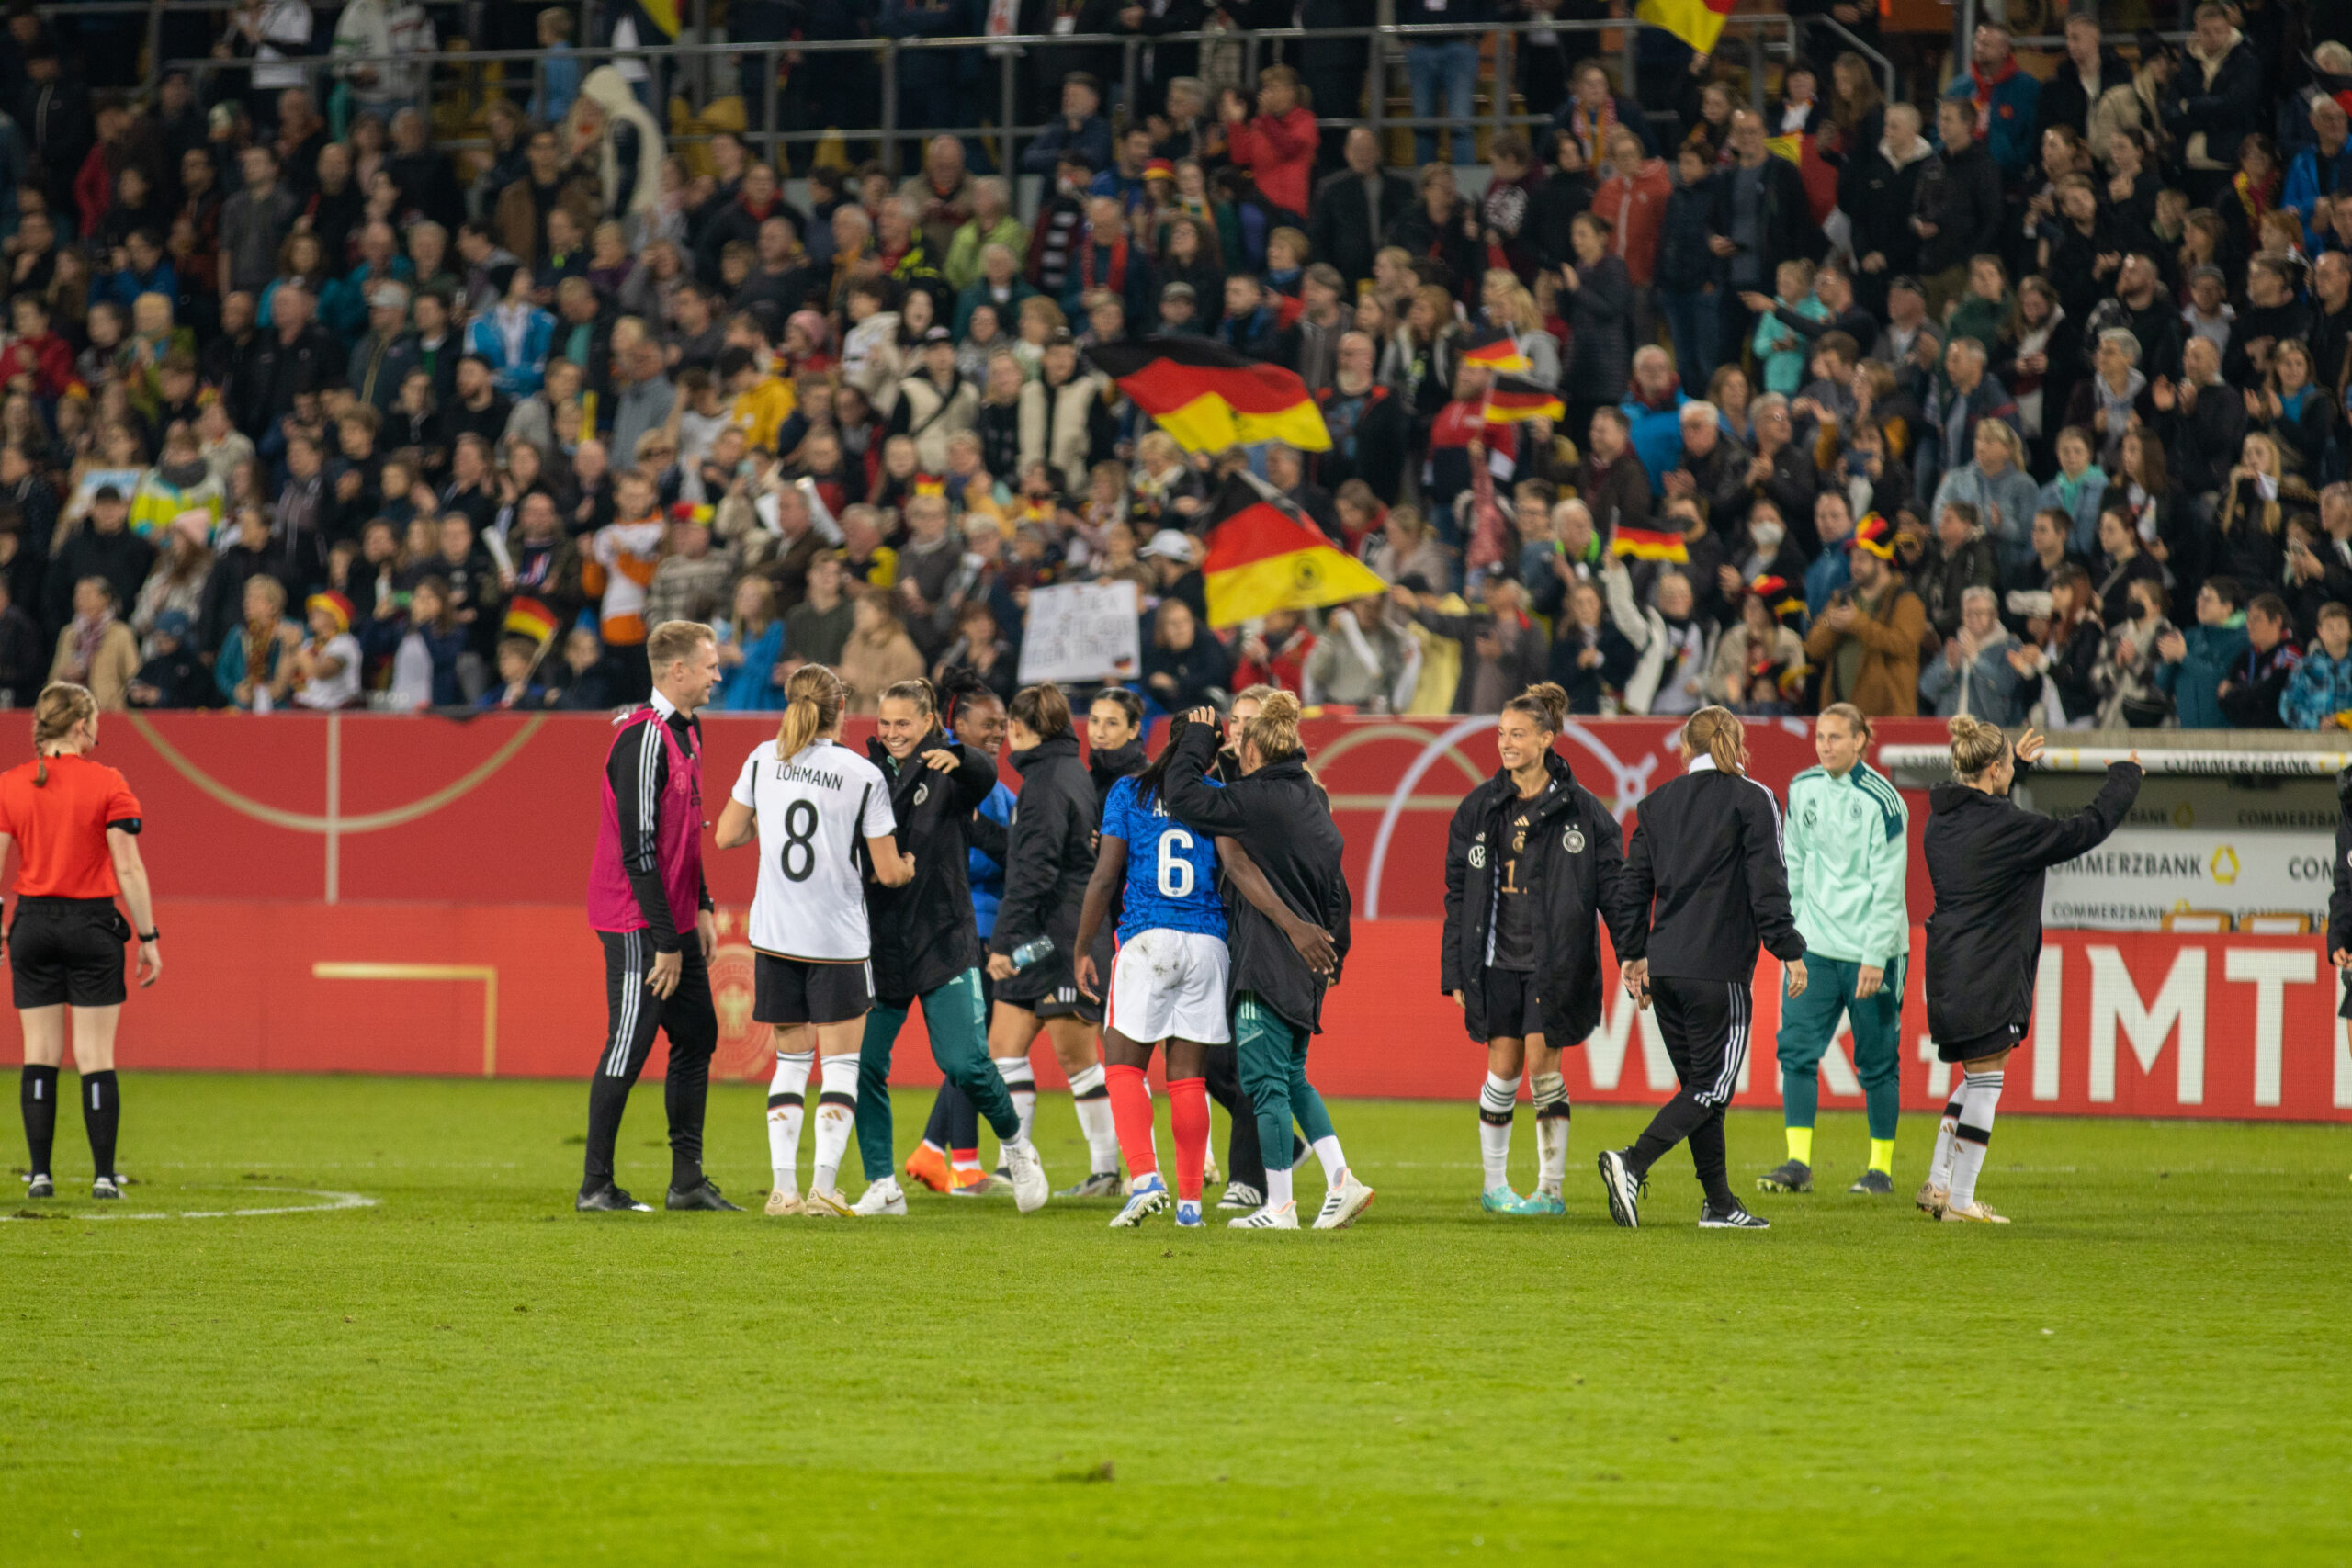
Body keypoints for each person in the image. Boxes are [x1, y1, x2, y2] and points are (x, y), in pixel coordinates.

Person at [1159, 694, 1372, 1231]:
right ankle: (1341, 1179)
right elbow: (1337, 891)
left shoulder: (1253, 800)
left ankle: (1279, 1206)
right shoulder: (1310, 798)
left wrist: (1197, 740)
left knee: (1265, 1085)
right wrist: (1333, 949)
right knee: (1294, 1077)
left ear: (1252, 751)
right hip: (1308, 961)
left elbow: (1181, 795)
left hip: (1267, 959)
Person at [1919, 720, 2140, 1223]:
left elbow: (1984, 812)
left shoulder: (1941, 821)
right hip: (1988, 969)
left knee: (1974, 1078)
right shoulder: (2009, 828)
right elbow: (2082, 830)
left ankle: (1938, 1184)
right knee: (1986, 1084)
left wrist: (2011, 767)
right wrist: (2124, 781)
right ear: (1994, 770)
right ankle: (1961, 1203)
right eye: (2006, 767)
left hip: (1950, 967)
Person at [1442, 682, 1643, 1216]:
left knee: (1541, 1067)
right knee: (1502, 1069)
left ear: (1546, 739)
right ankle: (1495, 1187)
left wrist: (1631, 952)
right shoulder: (1479, 808)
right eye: (1501, 734)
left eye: (1518, 734)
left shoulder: (1584, 812)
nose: (1506, 744)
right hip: (1495, 960)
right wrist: (1455, 969)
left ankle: (1549, 1190)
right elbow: (1458, 893)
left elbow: (1614, 890)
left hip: (1555, 961)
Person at [848, 679, 1047, 1217]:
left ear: (928, 721)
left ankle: (1016, 1147)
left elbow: (984, 774)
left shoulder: (951, 771)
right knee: (864, 1065)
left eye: (903, 723)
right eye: (885, 723)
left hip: (943, 939)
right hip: (882, 944)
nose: (892, 733)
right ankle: (882, 1184)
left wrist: (960, 757)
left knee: (964, 1063)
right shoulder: (867, 772)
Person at [1600, 706, 1804, 1231]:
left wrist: (1631, 954)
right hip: (1718, 969)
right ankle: (1632, 1162)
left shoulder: (1656, 803)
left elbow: (1631, 887)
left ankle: (1718, 1204)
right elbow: (1768, 881)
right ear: (1737, 745)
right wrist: (1788, 948)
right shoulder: (1754, 798)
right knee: (1713, 1087)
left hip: (1665, 969)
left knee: (1699, 1089)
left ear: (1685, 748)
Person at [1075, 712, 1256, 1228]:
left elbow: (1105, 876)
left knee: (1121, 1066)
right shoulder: (1216, 794)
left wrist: (1082, 947)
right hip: (1207, 942)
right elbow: (1235, 868)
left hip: (1149, 937)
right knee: (1188, 1077)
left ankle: (1145, 1179)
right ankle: (1191, 1205)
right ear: (1211, 752)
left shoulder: (1128, 790)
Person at [577, 621, 732, 1214]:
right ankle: (595, 1186)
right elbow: (637, 851)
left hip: (673, 918)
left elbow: (686, 834)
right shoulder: (643, 740)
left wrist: (704, 906)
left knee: (697, 1035)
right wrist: (667, 941)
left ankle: (686, 1182)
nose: (718, 675)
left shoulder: (688, 731)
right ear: (678, 670)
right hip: (634, 919)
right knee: (629, 1044)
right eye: (710, 666)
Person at [2, 682, 161, 1201]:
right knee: (94, 1054)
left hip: (32, 922)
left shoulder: (11, 784)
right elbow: (128, 867)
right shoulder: (108, 782)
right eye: (94, 724)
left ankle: (40, 1175)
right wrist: (148, 936)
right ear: (78, 726)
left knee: (40, 1052)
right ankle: (103, 1177)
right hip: (92, 924)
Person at [1757, 705, 1908, 1201]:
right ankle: (1798, 1163)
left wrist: (1875, 956)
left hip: (1871, 952)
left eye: (1836, 737)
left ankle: (1879, 1169)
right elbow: (1795, 864)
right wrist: (1794, 940)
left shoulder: (1885, 802)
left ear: (1861, 740)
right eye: (1820, 736)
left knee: (1877, 1062)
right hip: (1816, 949)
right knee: (1796, 1051)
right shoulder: (1803, 788)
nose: (1825, 745)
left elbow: (1888, 888)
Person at [984, 684, 1120, 1195]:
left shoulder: (1045, 783)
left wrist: (1003, 943)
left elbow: (1035, 873)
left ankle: (1107, 1170)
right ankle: (1014, 1163)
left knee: (1076, 1056)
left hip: (1063, 939)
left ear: (1018, 728)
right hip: (1041, 941)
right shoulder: (1068, 772)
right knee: (1004, 1046)